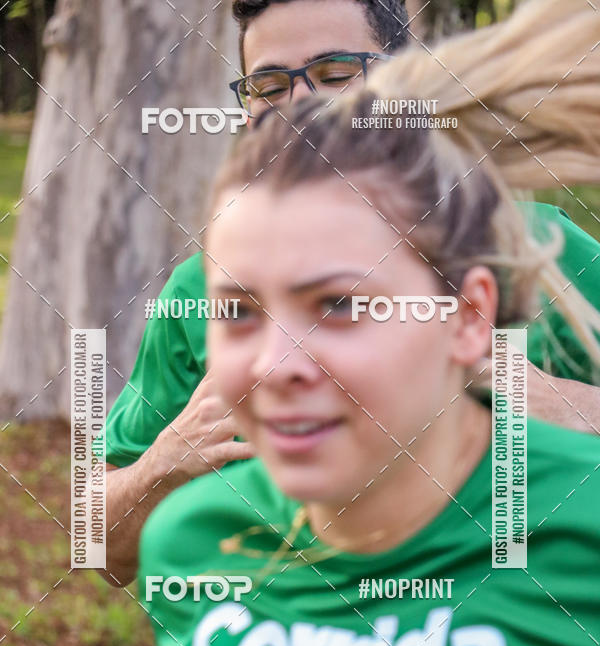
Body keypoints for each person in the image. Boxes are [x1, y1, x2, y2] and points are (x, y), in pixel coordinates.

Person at [90, 1, 600, 646]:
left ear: (472, 312)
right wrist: (164, 464)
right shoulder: (200, 546)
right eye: (240, 312)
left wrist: (553, 407)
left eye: (343, 305)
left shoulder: (553, 264)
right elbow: (95, 541)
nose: (278, 364)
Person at [99, 0, 600, 589]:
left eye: (336, 74)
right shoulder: (201, 288)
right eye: (269, 87)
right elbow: (98, 546)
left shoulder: (535, 248)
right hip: (288, 635)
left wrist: (567, 409)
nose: (299, 107)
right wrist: (161, 467)